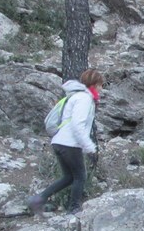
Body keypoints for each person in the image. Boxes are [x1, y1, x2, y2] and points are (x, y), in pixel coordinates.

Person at [28, 68, 103, 215]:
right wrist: (90, 147)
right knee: (80, 176)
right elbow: (77, 124)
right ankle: (73, 208)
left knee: (69, 177)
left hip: (59, 142)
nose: (101, 88)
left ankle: (38, 199)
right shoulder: (84, 99)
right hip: (70, 143)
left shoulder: (75, 96)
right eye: (100, 85)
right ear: (94, 84)